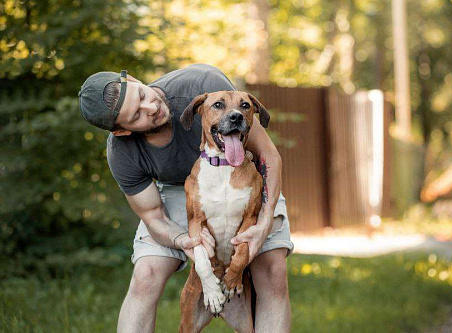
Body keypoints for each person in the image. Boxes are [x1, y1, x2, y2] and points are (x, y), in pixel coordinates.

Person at [78, 64, 294, 332]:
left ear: (135, 79)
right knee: (145, 275)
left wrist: (264, 220)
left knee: (272, 273)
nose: (151, 108)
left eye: (142, 95)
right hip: (180, 189)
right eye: (136, 115)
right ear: (121, 131)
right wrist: (184, 241)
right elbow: (153, 216)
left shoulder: (202, 83)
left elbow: (268, 155)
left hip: (245, 175)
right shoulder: (122, 154)